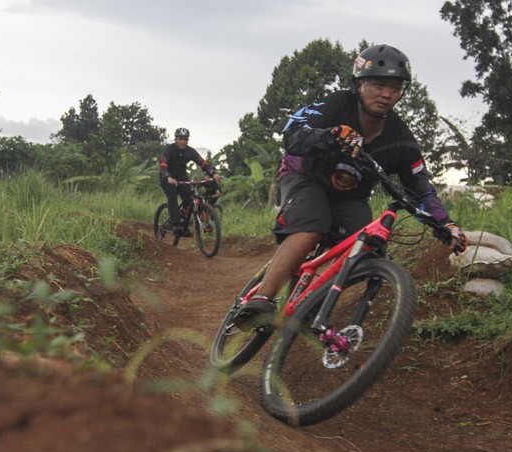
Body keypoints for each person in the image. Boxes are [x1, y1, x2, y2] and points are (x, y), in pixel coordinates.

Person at [235, 44, 468, 322]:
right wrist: (332, 135)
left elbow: (421, 189)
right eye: (378, 85)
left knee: (366, 244)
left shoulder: (401, 140)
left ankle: (314, 303)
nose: (386, 94)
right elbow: (292, 133)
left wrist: (446, 224)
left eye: (395, 88)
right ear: (359, 84)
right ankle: (262, 298)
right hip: (305, 176)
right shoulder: (337, 104)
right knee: (312, 223)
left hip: (350, 197)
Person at [158, 127, 221, 235]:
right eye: (180, 139)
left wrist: (213, 173)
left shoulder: (190, 151)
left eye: (185, 139)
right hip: (167, 179)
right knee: (172, 197)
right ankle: (175, 224)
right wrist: (168, 176)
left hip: (182, 179)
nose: (183, 142)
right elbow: (163, 165)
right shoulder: (169, 149)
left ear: (188, 140)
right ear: (175, 139)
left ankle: (185, 223)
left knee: (189, 201)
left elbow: (202, 163)